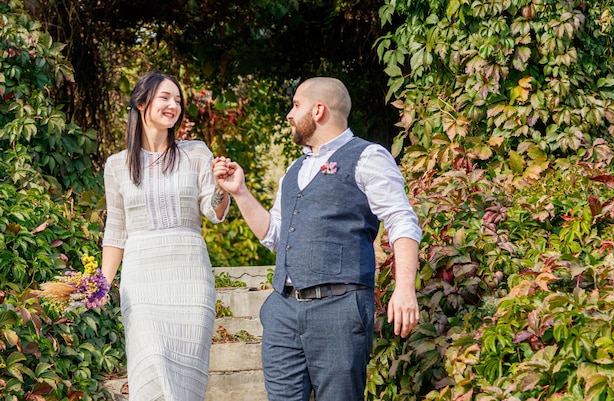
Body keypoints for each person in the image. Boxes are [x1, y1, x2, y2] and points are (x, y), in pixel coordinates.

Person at [213, 76, 422, 401]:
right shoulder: (294, 171)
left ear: (319, 110)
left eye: (296, 105)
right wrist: (239, 192)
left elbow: (401, 220)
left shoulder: (368, 157)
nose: (290, 115)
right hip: (283, 312)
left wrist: (405, 288)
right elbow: (275, 235)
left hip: (339, 310)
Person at [100, 71, 229, 401]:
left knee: (185, 381)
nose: (174, 105)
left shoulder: (196, 153)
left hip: (190, 277)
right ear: (142, 103)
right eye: (165, 97)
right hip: (142, 279)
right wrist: (101, 285)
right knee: (150, 364)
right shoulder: (116, 165)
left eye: (178, 100)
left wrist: (221, 188)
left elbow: (213, 212)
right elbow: (116, 231)